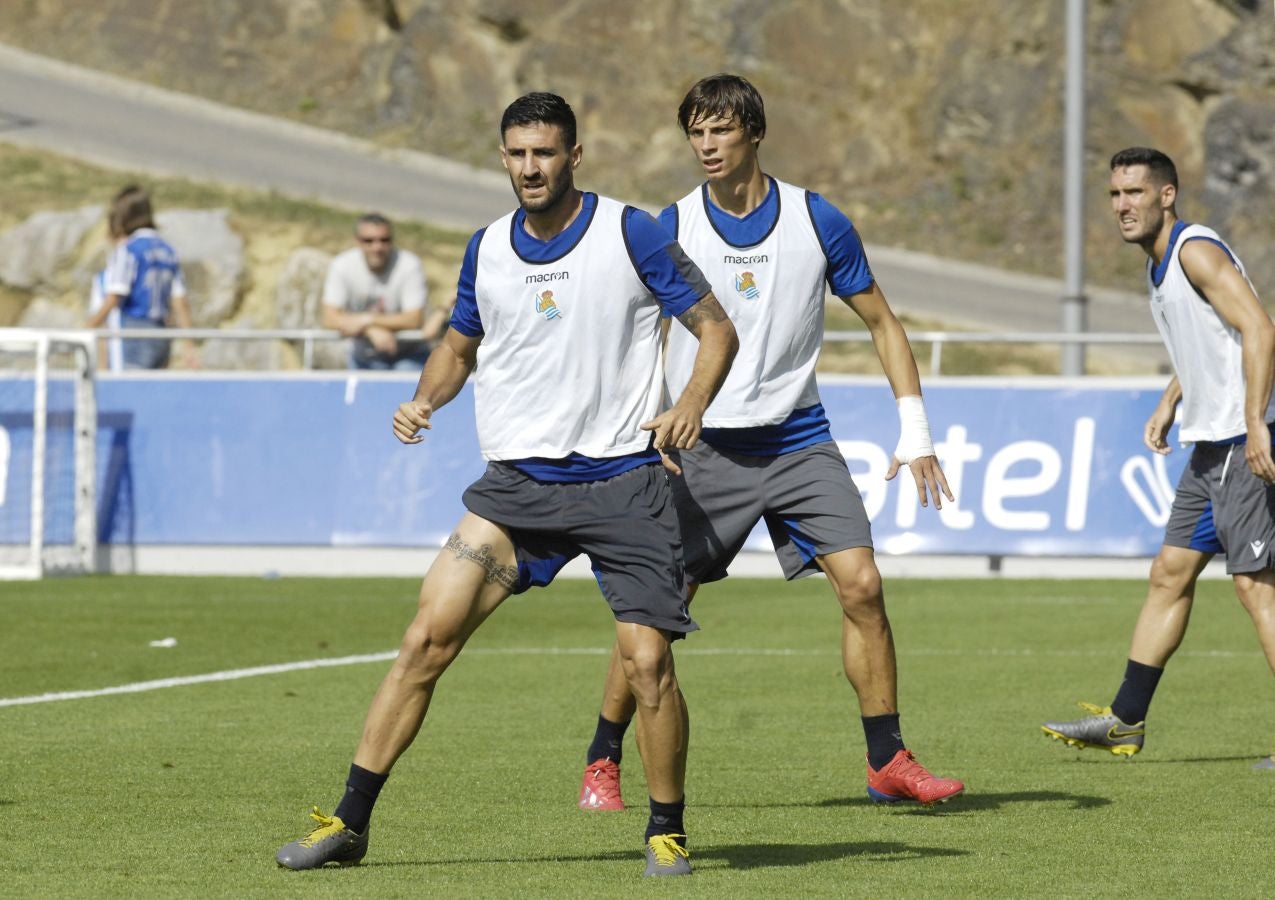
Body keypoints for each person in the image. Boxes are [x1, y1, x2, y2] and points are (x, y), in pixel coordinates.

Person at [275, 92, 738, 877]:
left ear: (574, 157)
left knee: (647, 665)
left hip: (623, 481)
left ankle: (665, 828)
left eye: (545, 153)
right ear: (503, 158)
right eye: (517, 153)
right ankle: (348, 822)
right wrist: (425, 397)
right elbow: (459, 344)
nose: (530, 167)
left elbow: (715, 328)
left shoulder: (631, 232)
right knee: (424, 639)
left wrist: (688, 405)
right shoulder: (486, 247)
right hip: (516, 488)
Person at [575, 73, 964, 813]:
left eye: (719, 130)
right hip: (702, 451)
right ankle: (602, 757)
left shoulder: (817, 220)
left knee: (863, 586)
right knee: (651, 618)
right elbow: (643, 332)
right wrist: (646, 425)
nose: (706, 145)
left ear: (754, 133)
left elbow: (882, 322)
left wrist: (915, 434)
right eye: (694, 132)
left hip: (798, 442)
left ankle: (887, 759)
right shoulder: (672, 225)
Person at [1042, 147, 1275, 766]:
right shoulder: (1160, 264)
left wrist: (1255, 423)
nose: (1122, 206)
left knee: (1256, 589)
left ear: (1166, 195)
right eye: (1115, 195)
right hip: (1210, 445)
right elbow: (1215, 342)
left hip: (1239, 441)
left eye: (1135, 194)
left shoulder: (1194, 250)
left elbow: (1260, 328)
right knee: (1169, 573)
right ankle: (1125, 719)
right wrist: (1172, 398)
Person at [87, 185, 195, 369]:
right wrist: (189, 343)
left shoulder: (129, 250)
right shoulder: (167, 251)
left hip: (133, 335)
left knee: (126, 392)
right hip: (161, 335)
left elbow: (116, 295)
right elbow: (179, 300)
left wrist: (89, 325)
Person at [322, 213, 435, 370]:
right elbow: (330, 318)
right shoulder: (341, 265)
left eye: (384, 240)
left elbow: (414, 319)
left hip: (409, 355)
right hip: (363, 358)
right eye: (369, 241)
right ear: (357, 241)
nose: (377, 247)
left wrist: (366, 321)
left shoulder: (410, 265)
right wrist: (370, 329)